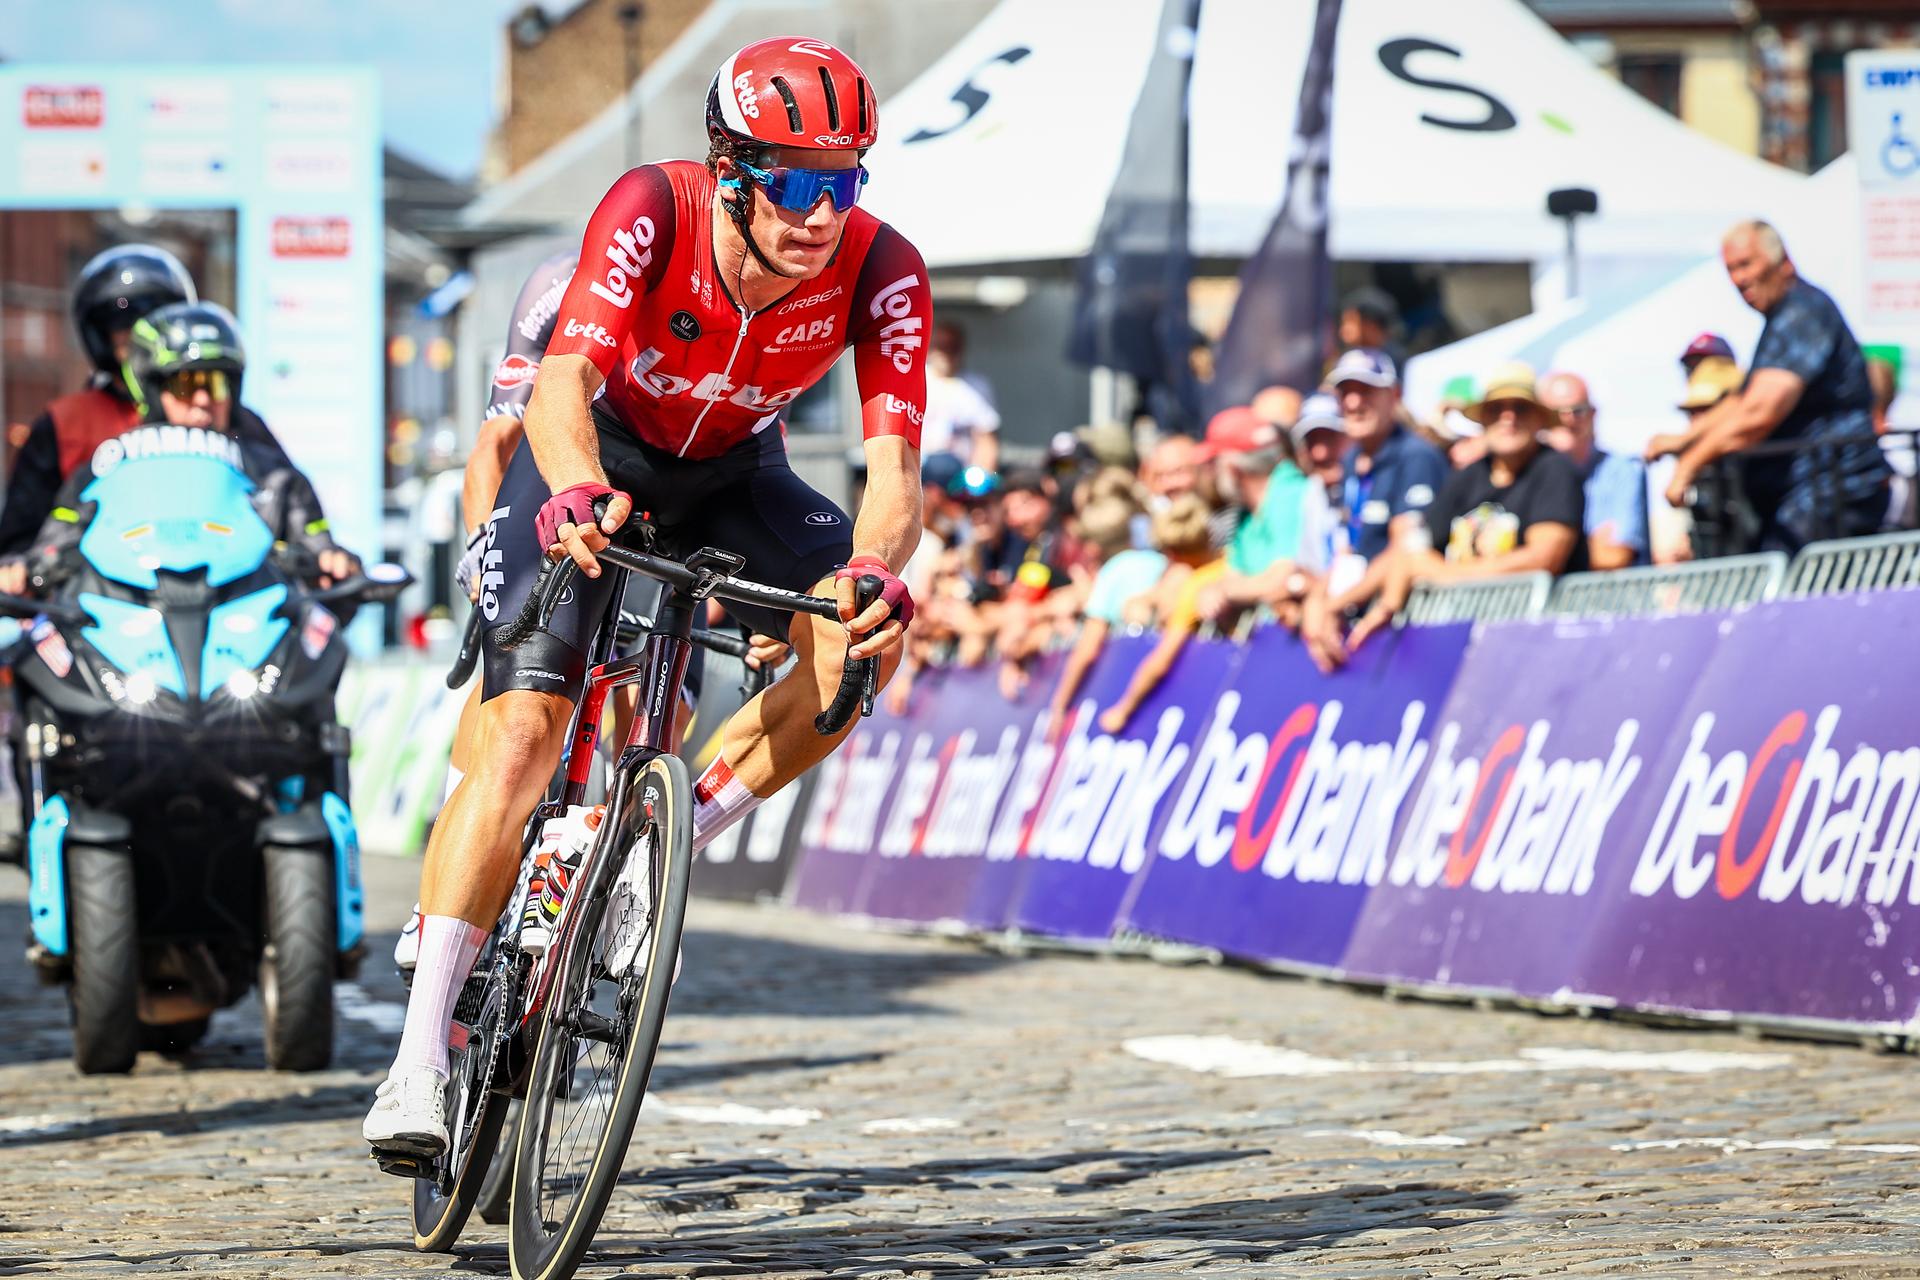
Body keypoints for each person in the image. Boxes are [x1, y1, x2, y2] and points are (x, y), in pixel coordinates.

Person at [363, 37, 927, 1161]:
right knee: (523, 735)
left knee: (865, 636)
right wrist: (570, 486)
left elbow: (894, 477)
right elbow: (560, 385)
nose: (825, 210)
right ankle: (418, 1057)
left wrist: (870, 572)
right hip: (596, 454)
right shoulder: (650, 207)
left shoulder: (881, 266)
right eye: (798, 179)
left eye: (846, 176)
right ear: (731, 167)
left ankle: (663, 839)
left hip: (733, 475)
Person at [0, 302, 358, 592]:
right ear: (156, 392)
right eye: (187, 385)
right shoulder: (110, 464)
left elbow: (313, 538)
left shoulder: (270, 472)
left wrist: (329, 559)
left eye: (216, 385)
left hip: (241, 628)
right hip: (132, 628)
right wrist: (27, 566)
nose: (203, 401)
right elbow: (58, 535)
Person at [1306, 363, 1584, 670]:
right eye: (1496, 409)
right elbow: (1412, 548)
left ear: (1539, 419)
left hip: (1535, 645)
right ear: (1483, 419)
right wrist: (1381, 603)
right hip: (1465, 644)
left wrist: (1445, 574)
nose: (1508, 418)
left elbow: (1544, 557)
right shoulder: (1469, 476)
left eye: (1520, 408)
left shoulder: (1554, 470)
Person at [1648, 220, 1889, 551]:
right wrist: (1684, 440)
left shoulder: (1804, 313)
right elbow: (1741, 402)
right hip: (1799, 498)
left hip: (1829, 495)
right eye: (1730, 270)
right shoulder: (1781, 319)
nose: (1738, 279)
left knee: (1789, 593)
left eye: (1746, 264)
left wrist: (1690, 464)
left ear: (1783, 261)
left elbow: (1759, 413)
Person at [0, 245, 198, 553]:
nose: (138, 334)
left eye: (152, 320)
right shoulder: (63, 423)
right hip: (98, 590)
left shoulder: (209, 405)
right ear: (101, 335)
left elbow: (280, 494)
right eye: (123, 324)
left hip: (208, 577)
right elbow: (20, 537)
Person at [1191, 407, 1312, 626]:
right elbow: (1232, 577)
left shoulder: (1290, 493)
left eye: (1212, 464)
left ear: (1232, 468)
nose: (1208, 474)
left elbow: (1280, 580)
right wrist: (1216, 590)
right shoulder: (1245, 514)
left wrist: (1224, 590)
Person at [1332, 347, 1449, 562]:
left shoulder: (1417, 456)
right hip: (1357, 586)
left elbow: (1405, 551)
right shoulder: (1350, 460)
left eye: (1366, 390)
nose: (1353, 403)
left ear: (1395, 394)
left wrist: (1339, 597)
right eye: (1345, 392)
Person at [1538, 371, 1649, 570]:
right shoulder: (1529, 473)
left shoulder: (1621, 471)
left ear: (1593, 413)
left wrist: (1548, 548)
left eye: (1577, 410)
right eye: (1557, 412)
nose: (1568, 419)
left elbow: (1613, 557)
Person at [919, 321, 999, 470]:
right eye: (941, 346)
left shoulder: (976, 386)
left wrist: (981, 476)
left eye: (952, 348)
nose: (946, 353)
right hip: (920, 471)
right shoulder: (915, 379)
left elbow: (986, 439)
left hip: (960, 474)